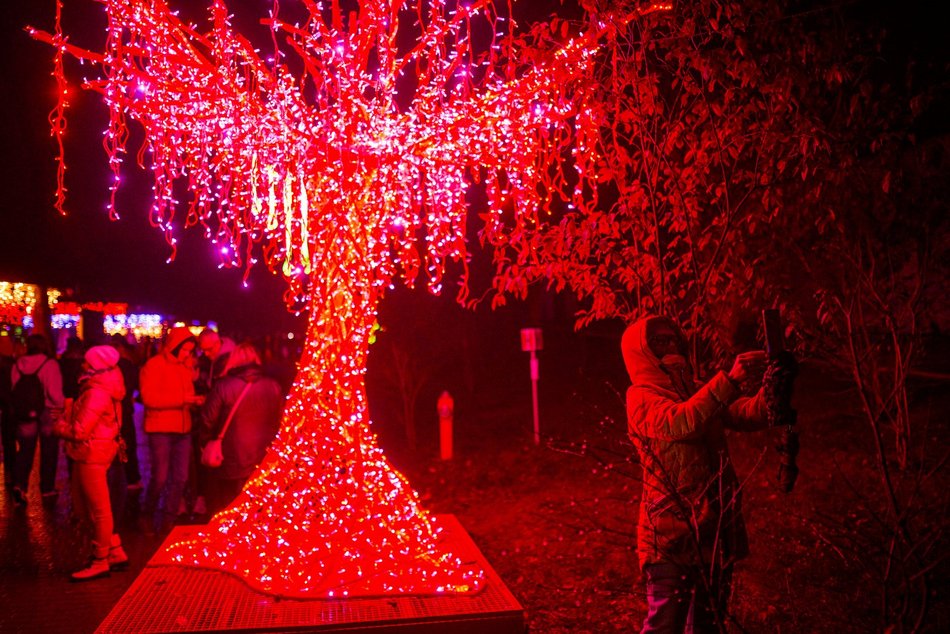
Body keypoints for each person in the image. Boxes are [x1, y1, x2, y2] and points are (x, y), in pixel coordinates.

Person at [622, 315, 770, 633]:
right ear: (642, 350)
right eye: (659, 341)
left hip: (713, 526)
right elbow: (682, 422)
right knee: (665, 625)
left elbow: (743, 413)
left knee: (709, 623)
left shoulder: (695, 389)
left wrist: (771, 391)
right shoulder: (640, 397)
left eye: (673, 339)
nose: (670, 345)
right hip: (669, 534)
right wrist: (728, 380)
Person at [54, 345, 129, 581]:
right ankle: (115, 551)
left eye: (87, 362)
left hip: (92, 453)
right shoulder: (108, 386)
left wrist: (58, 426)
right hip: (100, 449)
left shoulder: (96, 392)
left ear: (95, 366)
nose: (83, 365)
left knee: (97, 510)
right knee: (95, 508)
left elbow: (80, 431)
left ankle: (100, 560)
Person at [197, 342, 282, 516]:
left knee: (229, 505)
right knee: (258, 506)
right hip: (263, 455)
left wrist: (205, 442)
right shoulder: (273, 386)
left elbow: (207, 420)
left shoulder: (223, 386)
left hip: (231, 456)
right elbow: (280, 419)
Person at [139, 326, 203, 535]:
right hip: (161, 429)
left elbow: (186, 395)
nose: (187, 354)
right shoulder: (153, 366)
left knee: (180, 477)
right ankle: (147, 515)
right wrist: (182, 400)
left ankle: (169, 518)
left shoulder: (185, 367)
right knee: (160, 477)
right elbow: (149, 399)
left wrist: (194, 401)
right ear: (174, 346)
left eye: (190, 351)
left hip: (183, 428)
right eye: (184, 350)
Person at [10, 333, 65, 505]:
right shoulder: (49, 364)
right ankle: (47, 487)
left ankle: (20, 484)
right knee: (49, 450)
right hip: (47, 411)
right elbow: (55, 394)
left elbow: (14, 388)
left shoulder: (18, 364)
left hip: (25, 412)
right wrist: (61, 406)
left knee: (25, 450)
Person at [111, 335, 142, 490]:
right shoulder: (129, 365)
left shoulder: (113, 367)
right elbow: (135, 386)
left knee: (116, 444)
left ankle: (122, 477)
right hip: (125, 410)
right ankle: (131, 477)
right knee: (129, 444)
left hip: (115, 411)